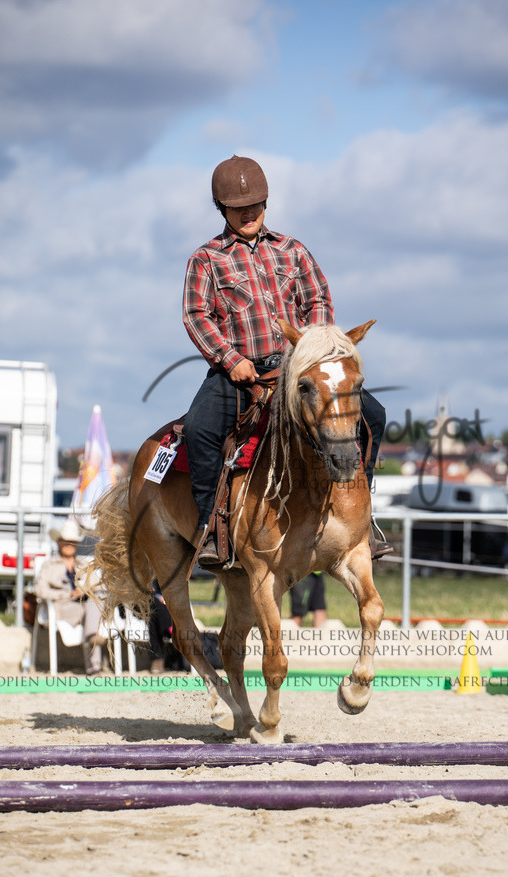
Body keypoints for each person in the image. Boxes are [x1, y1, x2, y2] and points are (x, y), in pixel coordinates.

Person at [182, 154, 389, 567]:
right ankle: (211, 529)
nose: (248, 214)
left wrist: (310, 352)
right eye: (239, 208)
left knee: (374, 416)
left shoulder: (293, 250)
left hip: (299, 369)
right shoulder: (206, 259)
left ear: (266, 204)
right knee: (199, 430)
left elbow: (319, 299)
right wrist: (229, 359)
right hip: (241, 372)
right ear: (221, 209)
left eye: (255, 206)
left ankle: (364, 517)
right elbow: (196, 314)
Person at [35, 519, 107, 673]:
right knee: (93, 613)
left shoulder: (84, 565)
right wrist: (68, 594)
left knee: (96, 600)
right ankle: (93, 663)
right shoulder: (49, 565)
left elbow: (97, 586)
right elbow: (41, 591)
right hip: (62, 606)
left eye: (72, 542)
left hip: (86, 604)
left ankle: (91, 639)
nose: (69, 545)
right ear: (59, 542)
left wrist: (85, 590)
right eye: (66, 542)